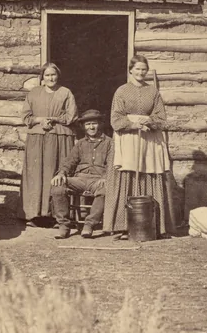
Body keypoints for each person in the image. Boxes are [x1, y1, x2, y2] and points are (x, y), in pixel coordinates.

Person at [102, 54, 179, 239]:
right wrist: (133, 124)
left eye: (144, 69)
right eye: (137, 69)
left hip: (149, 138)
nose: (141, 72)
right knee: (126, 175)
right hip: (127, 138)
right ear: (130, 70)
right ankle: (123, 227)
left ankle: (154, 225)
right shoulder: (121, 91)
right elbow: (115, 119)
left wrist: (149, 122)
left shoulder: (153, 92)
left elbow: (161, 118)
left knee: (149, 174)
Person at [21, 62, 77, 225]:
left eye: (53, 75)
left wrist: (53, 119)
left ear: (58, 76)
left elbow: (71, 116)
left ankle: (57, 215)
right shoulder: (34, 93)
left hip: (59, 137)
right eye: (47, 75)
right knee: (36, 174)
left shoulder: (65, 92)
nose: (51, 78)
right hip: (37, 139)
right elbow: (25, 116)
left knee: (55, 172)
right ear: (42, 77)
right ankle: (34, 214)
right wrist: (40, 120)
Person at [50, 109, 112, 239]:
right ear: (83, 126)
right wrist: (61, 173)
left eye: (94, 123)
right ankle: (64, 225)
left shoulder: (110, 143)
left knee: (106, 190)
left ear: (100, 124)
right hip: (80, 179)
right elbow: (69, 162)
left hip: (98, 180)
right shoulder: (80, 144)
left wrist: (106, 177)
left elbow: (112, 164)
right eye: (88, 124)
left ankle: (89, 225)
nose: (91, 127)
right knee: (57, 185)